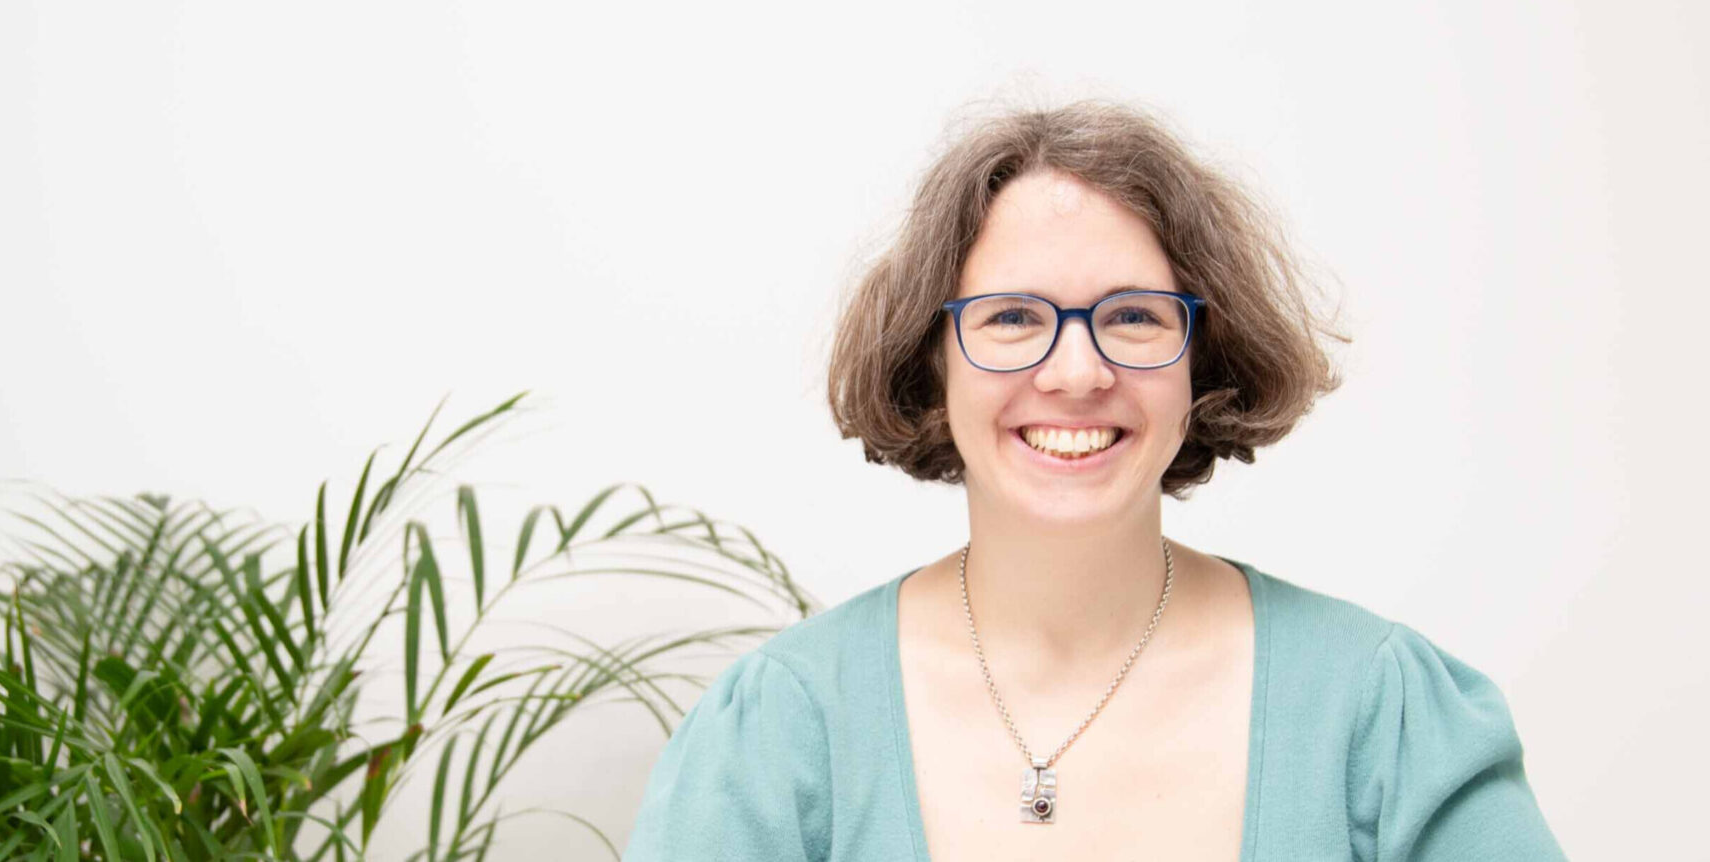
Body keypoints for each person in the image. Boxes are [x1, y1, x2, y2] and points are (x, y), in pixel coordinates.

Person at [623, 101, 1567, 861]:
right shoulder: (780, 730)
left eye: (1134, 317)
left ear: (1203, 358)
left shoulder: (1381, 713)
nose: (1076, 372)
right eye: (1010, 319)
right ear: (930, 359)